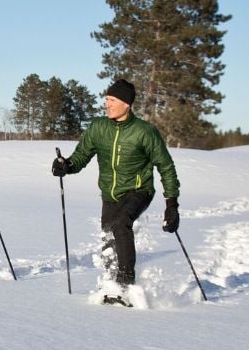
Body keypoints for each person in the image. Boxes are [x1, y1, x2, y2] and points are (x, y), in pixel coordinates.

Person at [52, 79, 180, 304]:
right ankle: (111, 287)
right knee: (109, 237)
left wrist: (172, 204)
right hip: (109, 194)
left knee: (121, 223)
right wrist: (67, 165)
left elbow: (166, 166)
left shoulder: (144, 132)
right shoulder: (98, 127)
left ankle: (126, 285)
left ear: (126, 104)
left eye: (112, 100)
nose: (107, 104)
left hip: (138, 190)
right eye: (106, 100)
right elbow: (81, 156)